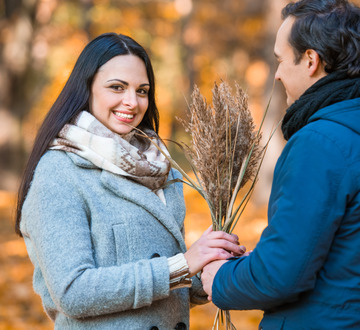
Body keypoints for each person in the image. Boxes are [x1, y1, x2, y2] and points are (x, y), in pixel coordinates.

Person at [201, 0, 360, 328]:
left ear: (311, 60)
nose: (278, 74)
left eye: (281, 60)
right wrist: (251, 265)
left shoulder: (321, 143)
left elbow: (282, 275)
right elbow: (352, 263)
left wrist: (221, 279)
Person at [15, 32, 245, 329]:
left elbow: (168, 287)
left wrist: (214, 263)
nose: (132, 102)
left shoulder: (161, 169)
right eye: (116, 87)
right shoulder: (59, 172)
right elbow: (72, 292)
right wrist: (182, 265)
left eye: (142, 90)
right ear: (86, 90)